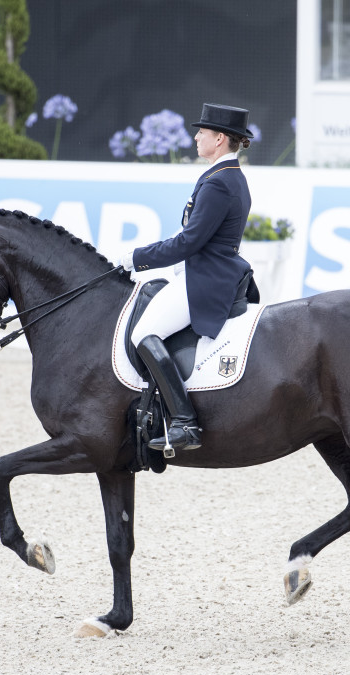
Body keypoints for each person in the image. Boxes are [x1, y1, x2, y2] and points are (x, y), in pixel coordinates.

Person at [121, 103, 254, 452]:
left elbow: (188, 241)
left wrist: (136, 258)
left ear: (220, 138)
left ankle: (184, 421)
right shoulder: (225, 176)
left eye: (202, 132)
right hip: (205, 268)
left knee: (143, 333)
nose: (196, 137)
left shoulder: (219, 183)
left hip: (207, 278)